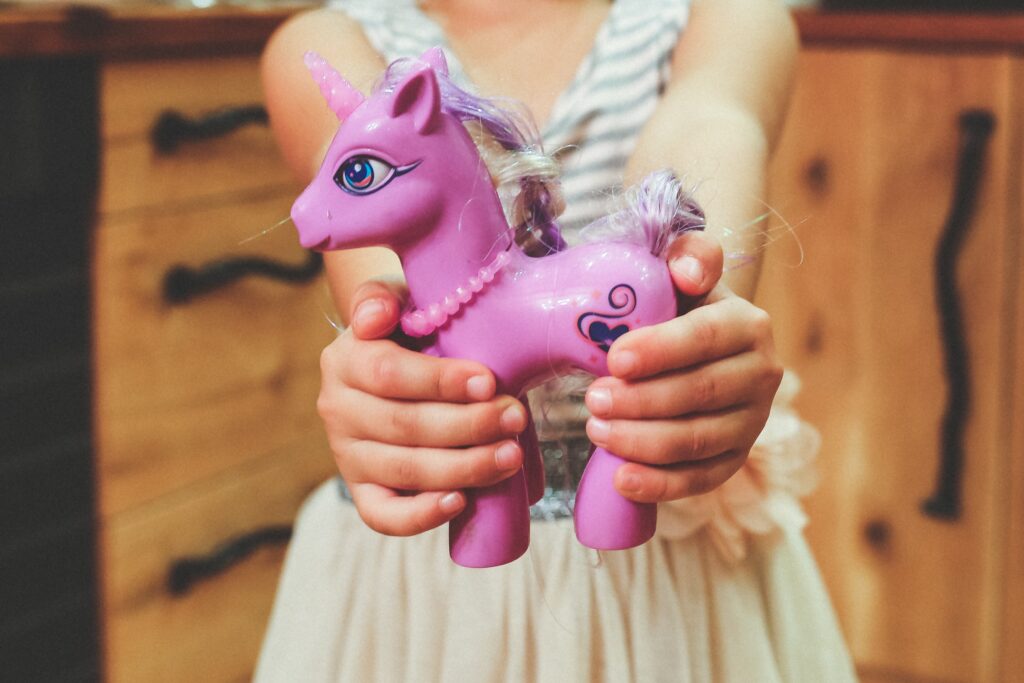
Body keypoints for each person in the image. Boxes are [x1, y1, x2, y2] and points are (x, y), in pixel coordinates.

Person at [256, 0, 858, 680]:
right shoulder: (327, 40)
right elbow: (385, 273)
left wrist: (693, 312)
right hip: (428, 550)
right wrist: (392, 370)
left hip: (670, 560)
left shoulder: (718, 17)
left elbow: (708, 122)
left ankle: (611, 494)